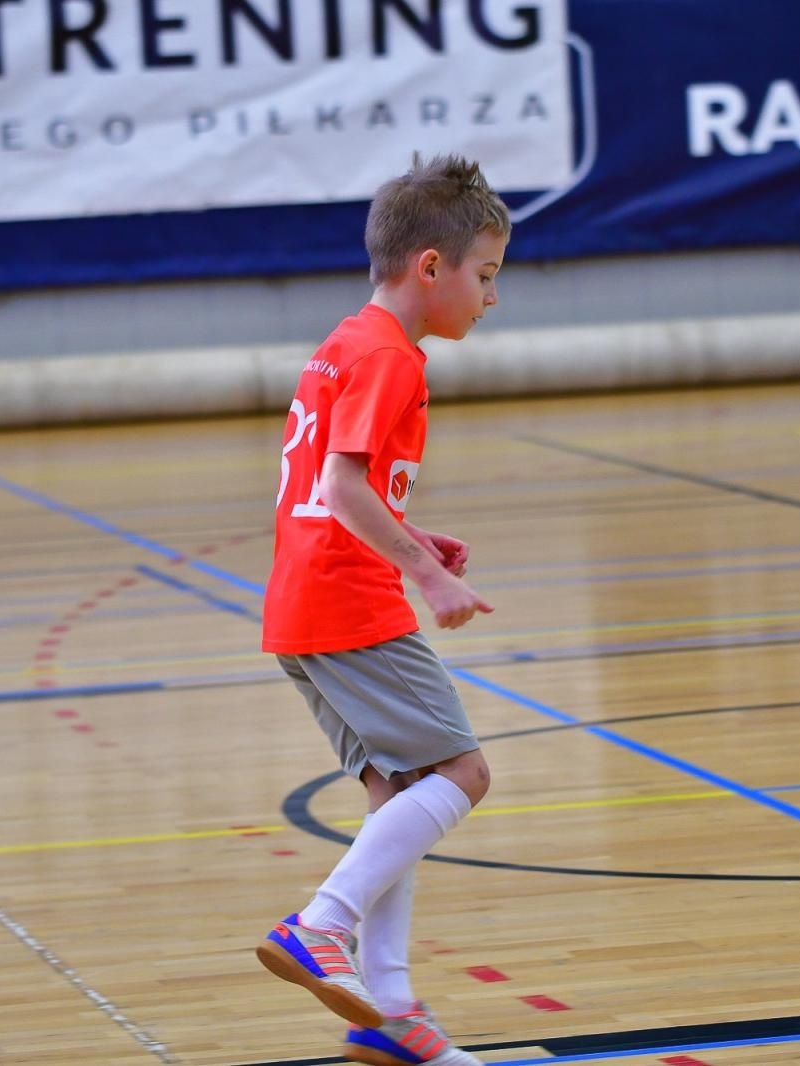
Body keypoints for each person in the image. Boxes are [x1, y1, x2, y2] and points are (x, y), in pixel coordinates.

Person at [255, 154, 510, 1066]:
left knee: (397, 794)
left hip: (302, 603)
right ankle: (322, 925)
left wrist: (413, 534)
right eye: (486, 277)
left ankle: (394, 1015)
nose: (491, 298)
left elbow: (338, 495)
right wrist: (427, 577)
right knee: (463, 774)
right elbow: (342, 484)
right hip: (346, 604)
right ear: (430, 268)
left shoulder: (345, 341)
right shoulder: (391, 361)